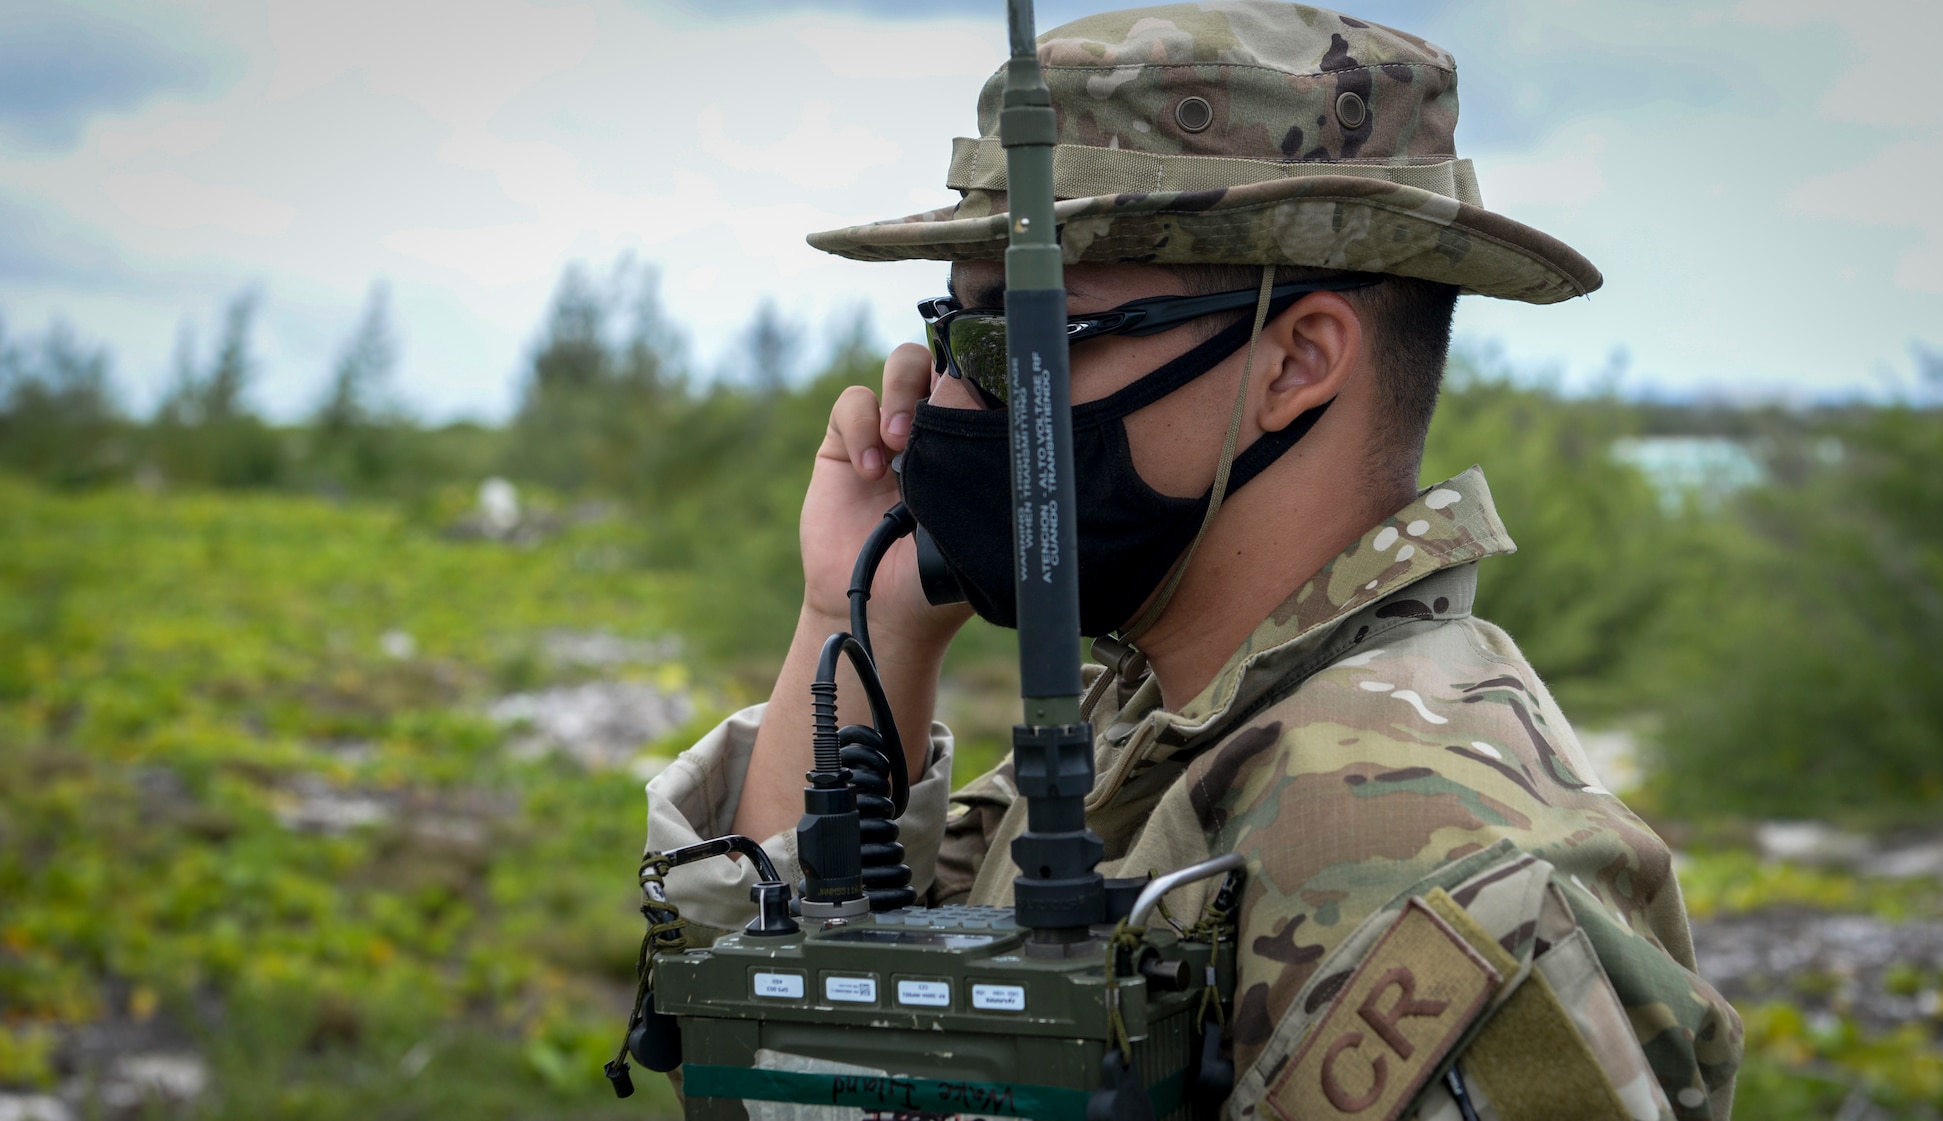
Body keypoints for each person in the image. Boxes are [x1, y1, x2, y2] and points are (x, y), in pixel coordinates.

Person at [644, 3, 1743, 1117]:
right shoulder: (1155, 730)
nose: (954, 400)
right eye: (950, 335)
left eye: (1022, 335)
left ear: (1294, 361)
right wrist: (853, 616)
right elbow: (777, 1052)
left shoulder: (1407, 846)